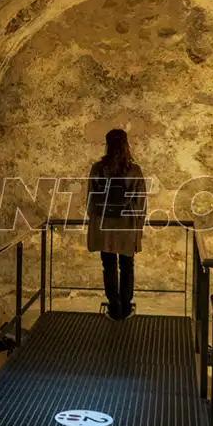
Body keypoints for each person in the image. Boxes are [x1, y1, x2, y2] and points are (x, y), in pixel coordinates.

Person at [86, 128, 147, 320]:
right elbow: (141, 202)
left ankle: (114, 307)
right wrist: (139, 225)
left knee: (109, 265)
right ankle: (126, 307)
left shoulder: (97, 168)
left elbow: (91, 201)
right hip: (127, 225)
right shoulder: (134, 170)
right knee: (127, 265)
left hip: (105, 226)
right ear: (126, 144)